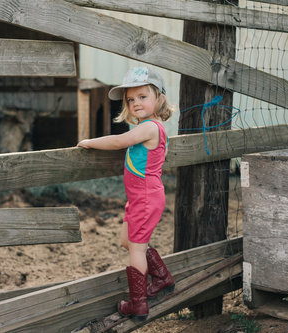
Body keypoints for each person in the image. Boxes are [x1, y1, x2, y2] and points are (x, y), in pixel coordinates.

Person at [77, 67, 176, 321]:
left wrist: (89, 142)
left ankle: (137, 304)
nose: (135, 103)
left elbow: (118, 142)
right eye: (131, 100)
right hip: (140, 198)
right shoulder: (150, 129)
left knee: (136, 249)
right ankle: (162, 277)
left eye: (142, 96)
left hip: (145, 197)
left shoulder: (151, 127)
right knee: (127, 241)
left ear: (159, 98)